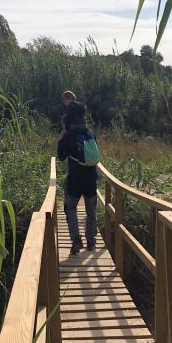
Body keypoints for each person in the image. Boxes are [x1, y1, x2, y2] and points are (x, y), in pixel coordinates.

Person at [57, 90, 98, 255]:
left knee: (70, 208)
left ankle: (75, 241)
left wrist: (62, 137)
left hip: (74, 179)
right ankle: (91, 241)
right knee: (91, 211)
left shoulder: (69, 135)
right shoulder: (90, 133)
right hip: (91, 179)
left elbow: (61, 157)